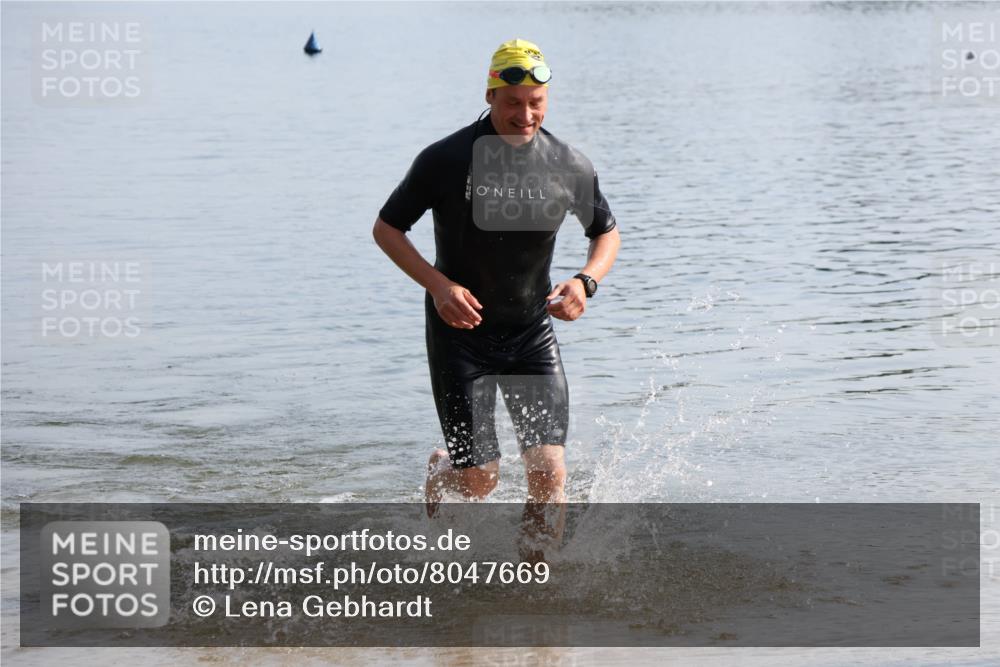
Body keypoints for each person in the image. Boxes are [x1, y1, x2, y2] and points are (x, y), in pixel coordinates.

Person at [373, 38, 620, 536]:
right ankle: (443, 474)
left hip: (531, 333)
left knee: (549, 474)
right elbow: (387, 229)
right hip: (460, 334)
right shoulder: (445, 159)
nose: (525, 114)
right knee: (479, 482)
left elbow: (605, 233)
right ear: (490, 96)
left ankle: (536, 582)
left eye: (536, 102)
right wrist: (439, 286)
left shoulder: (569, 165)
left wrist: (585, 280)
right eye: (513, 103)